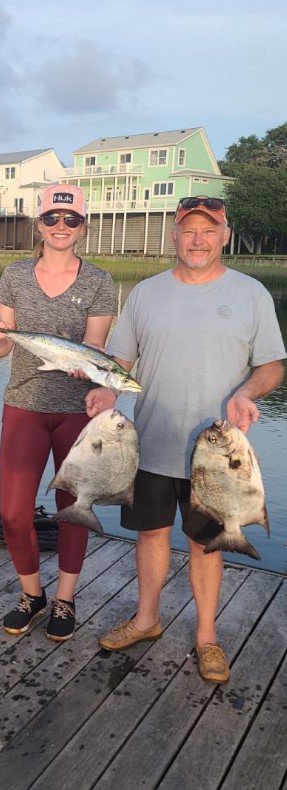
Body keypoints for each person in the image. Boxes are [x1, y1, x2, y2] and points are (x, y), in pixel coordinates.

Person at [97, 196, 285, 683]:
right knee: (151, 533)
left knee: (207, 544)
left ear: (225, 234)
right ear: (173, 237)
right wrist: (104, 386)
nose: (197, 239)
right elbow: (120, 363)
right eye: (188, 230)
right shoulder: (144, 294)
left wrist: (247, 391)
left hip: (219, 455)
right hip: (152, 442)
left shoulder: (251, 294)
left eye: (209, 230)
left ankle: (206, 638)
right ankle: (147, 619)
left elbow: (272, 367)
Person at [0, 184, 117, 642]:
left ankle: (66, 598)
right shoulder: (14, 275)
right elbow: (0, 349)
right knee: (14, 512)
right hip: (23, 406)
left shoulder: (98, 281)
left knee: (74, 510)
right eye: (52, 219)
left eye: (71, 220)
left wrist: (93, 372)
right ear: (39, 224)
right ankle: (32, 593)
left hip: (77, 411)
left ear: (83, 227)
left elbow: (95, 349)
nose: (61, 227)